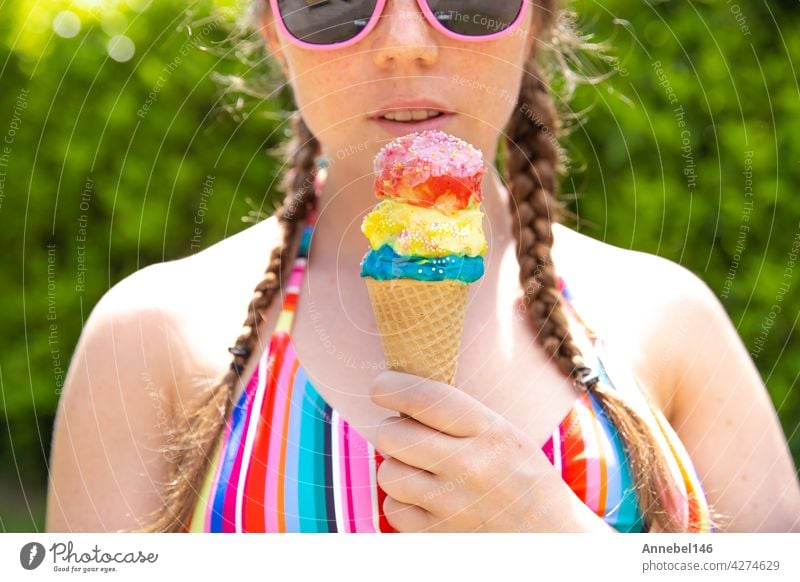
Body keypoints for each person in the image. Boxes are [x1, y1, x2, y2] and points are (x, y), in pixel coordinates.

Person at [45, 0, 800, 533]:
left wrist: (564, 546)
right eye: (333, 3)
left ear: (535, 19)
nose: (405, 40)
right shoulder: (152, 336)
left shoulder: (666, 318)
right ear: (277, 33)